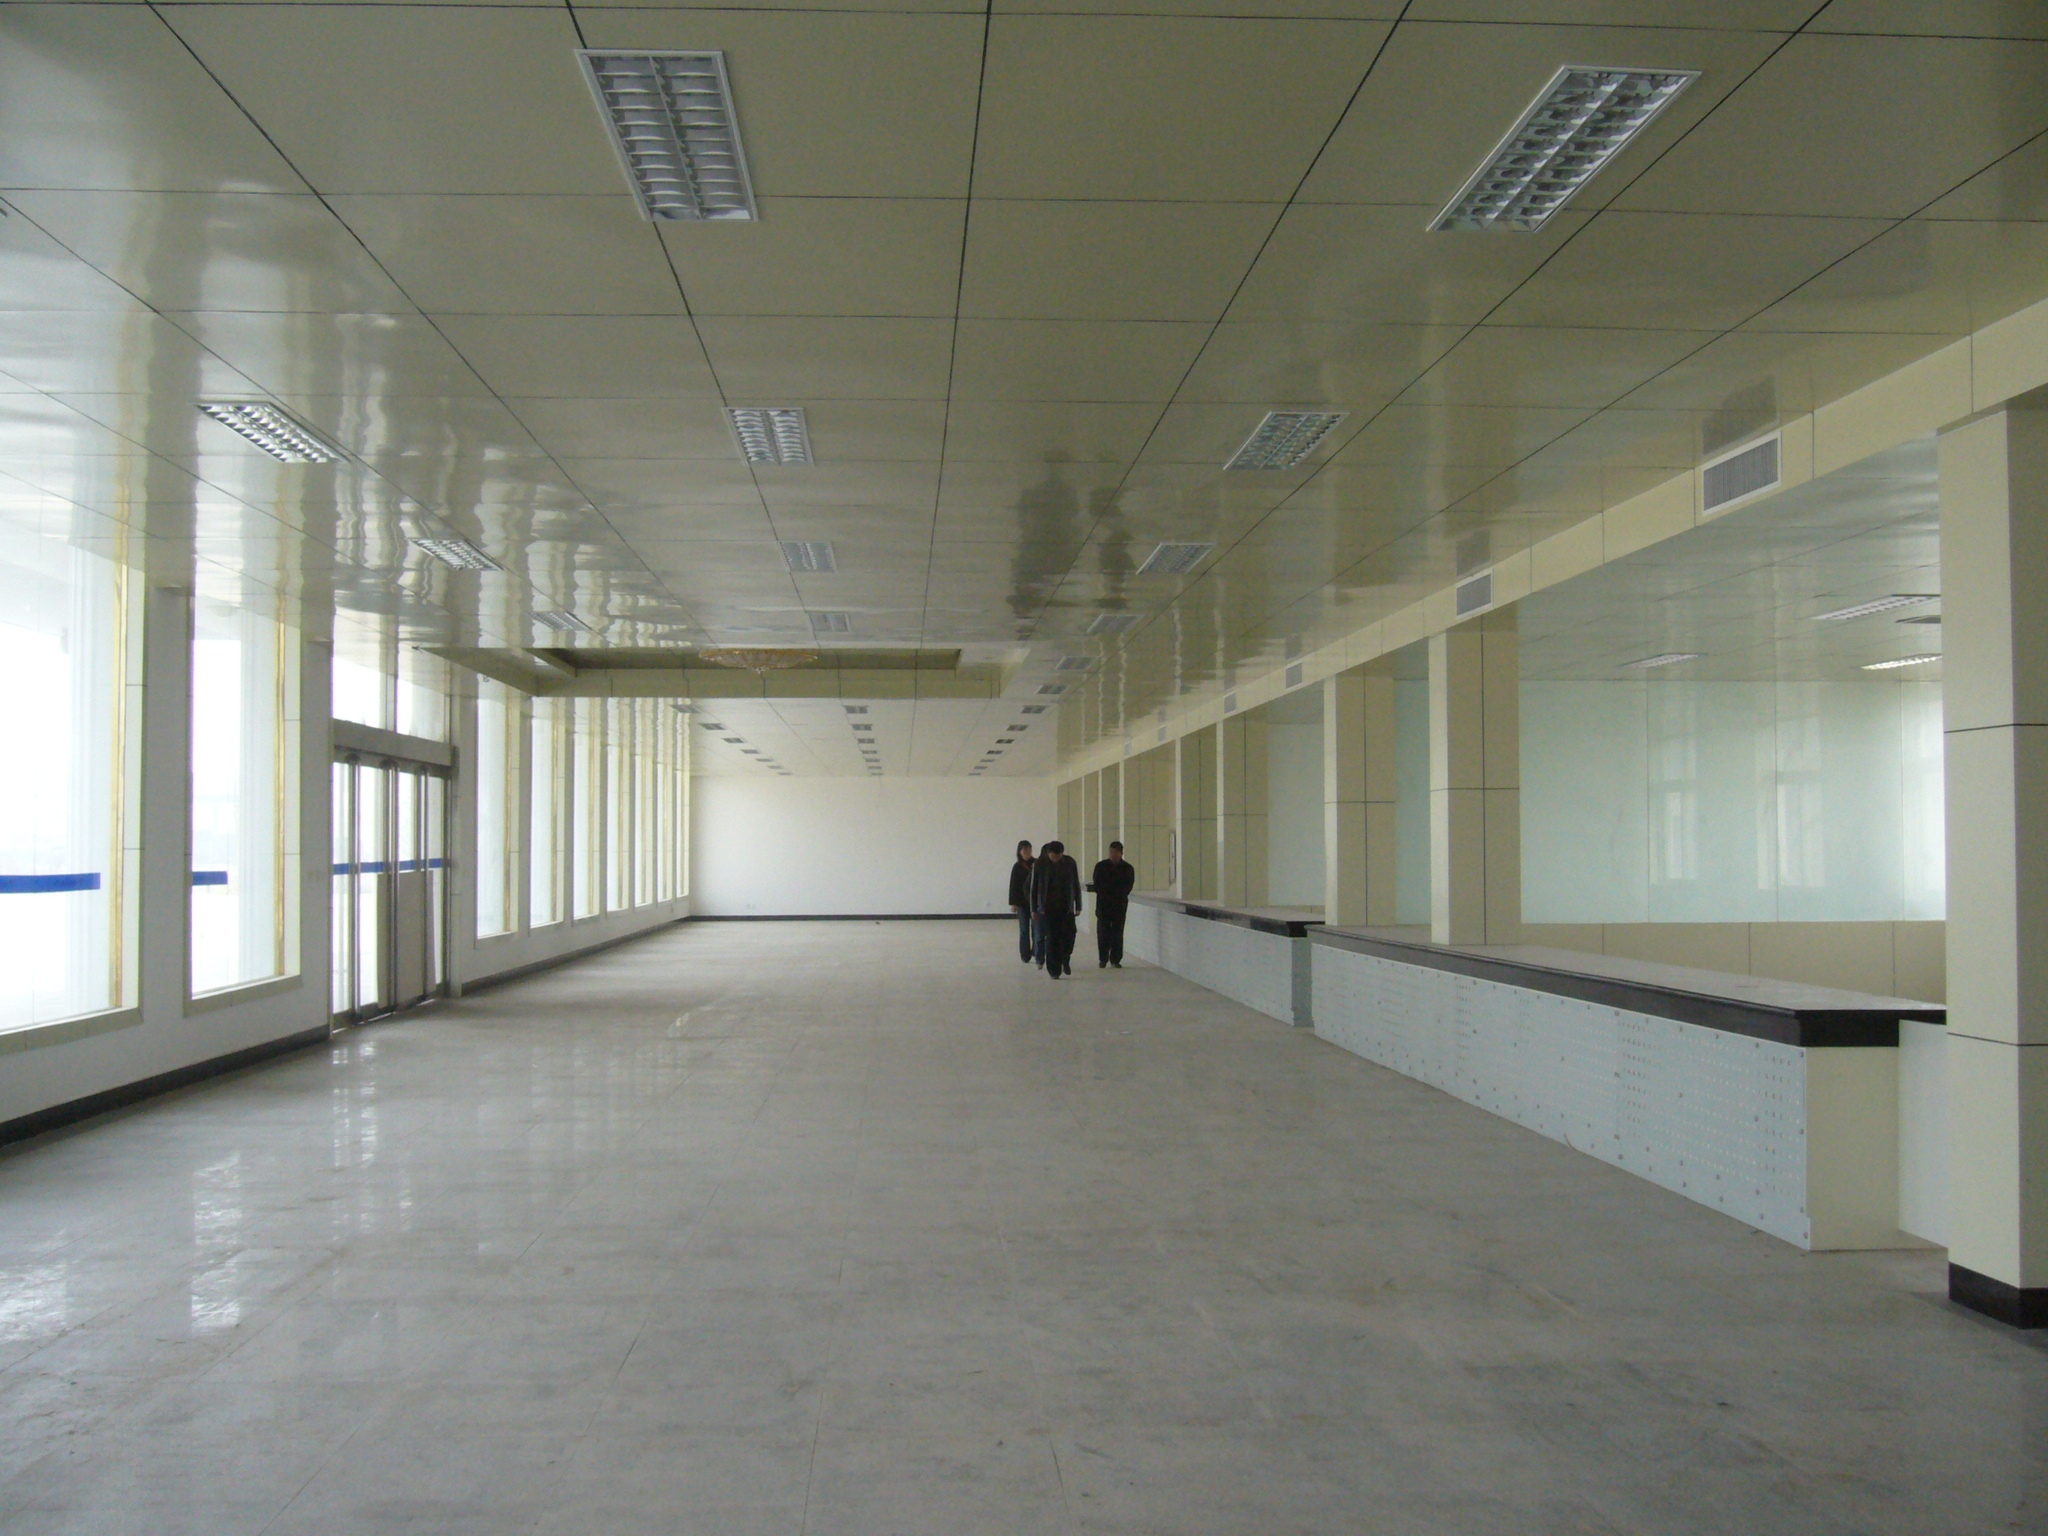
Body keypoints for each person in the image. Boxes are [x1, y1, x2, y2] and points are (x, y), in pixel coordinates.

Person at [1031, 840, 1083, 980]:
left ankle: (1065, 959)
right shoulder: (1040, 864)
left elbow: (1076, 884)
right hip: (1047, 909)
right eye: (1053, 856)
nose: (1055, 859)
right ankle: (1054, 971)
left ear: (1062, 854)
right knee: (1052, 939)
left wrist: (1078, 904)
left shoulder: (1070, 863)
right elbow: (1034, 887)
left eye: (1058, 857)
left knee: (1069, 936)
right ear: (1048, 853)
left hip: (1066, 908)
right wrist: (1033, 909)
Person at [1087, 841, 1136, 969]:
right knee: (1103, 932)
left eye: (1116, 852)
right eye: (1111, 852)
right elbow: (1097, 884)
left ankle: (1115, 959)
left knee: (1117, 933)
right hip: (1103, 905)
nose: (1113, 855)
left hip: (1119, 905)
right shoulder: (1101, 866)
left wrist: (1116, 894)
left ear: (1121, 853)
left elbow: (1128, 886)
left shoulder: (1127, 868)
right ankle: (1103, 958)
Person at [1007, 841, 1038, 965]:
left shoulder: (1037, 864)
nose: (1027, 852)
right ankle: (1025, 955)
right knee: (1024, 929)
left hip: (1035, 902)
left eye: (1029, 849)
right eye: (1024, 850)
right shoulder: (1017, 866)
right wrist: (1013, 903)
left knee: (1036, 929)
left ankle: (1036, 951)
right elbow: (1013, 885)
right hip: (1022, 902)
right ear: (1019, 851)